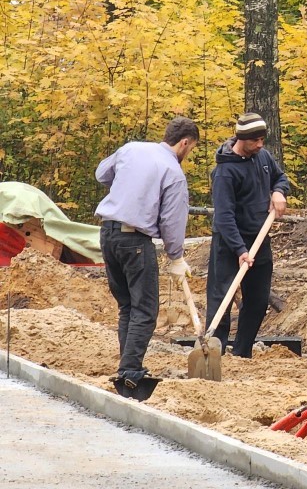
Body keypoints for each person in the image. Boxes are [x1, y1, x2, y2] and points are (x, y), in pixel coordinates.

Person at [95, 116, 199, 388]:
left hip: (108, 233)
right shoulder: (173, 172)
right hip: (135, 240)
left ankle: (126, 364)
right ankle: (130, 371)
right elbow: (172, 220)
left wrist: (130, 185)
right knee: (144, 309)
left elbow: (101, 174)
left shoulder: (131, 149)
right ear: (184, 143)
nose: (189, 154)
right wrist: (176, 256)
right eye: (192, 149)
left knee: (127, 306)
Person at [207, 112, 289, 358]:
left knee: (257, 300)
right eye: (255, 140)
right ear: (242, 140)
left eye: (263, 139)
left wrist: (278, 192)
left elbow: (280, 177)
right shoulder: (225, 173)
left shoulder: (262, 157)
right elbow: (224, 217)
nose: (261, 144)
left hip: (259, 237)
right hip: (229, 242)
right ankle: (215, 353)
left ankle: (242, 352)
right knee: (222, 298)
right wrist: (240, 250)